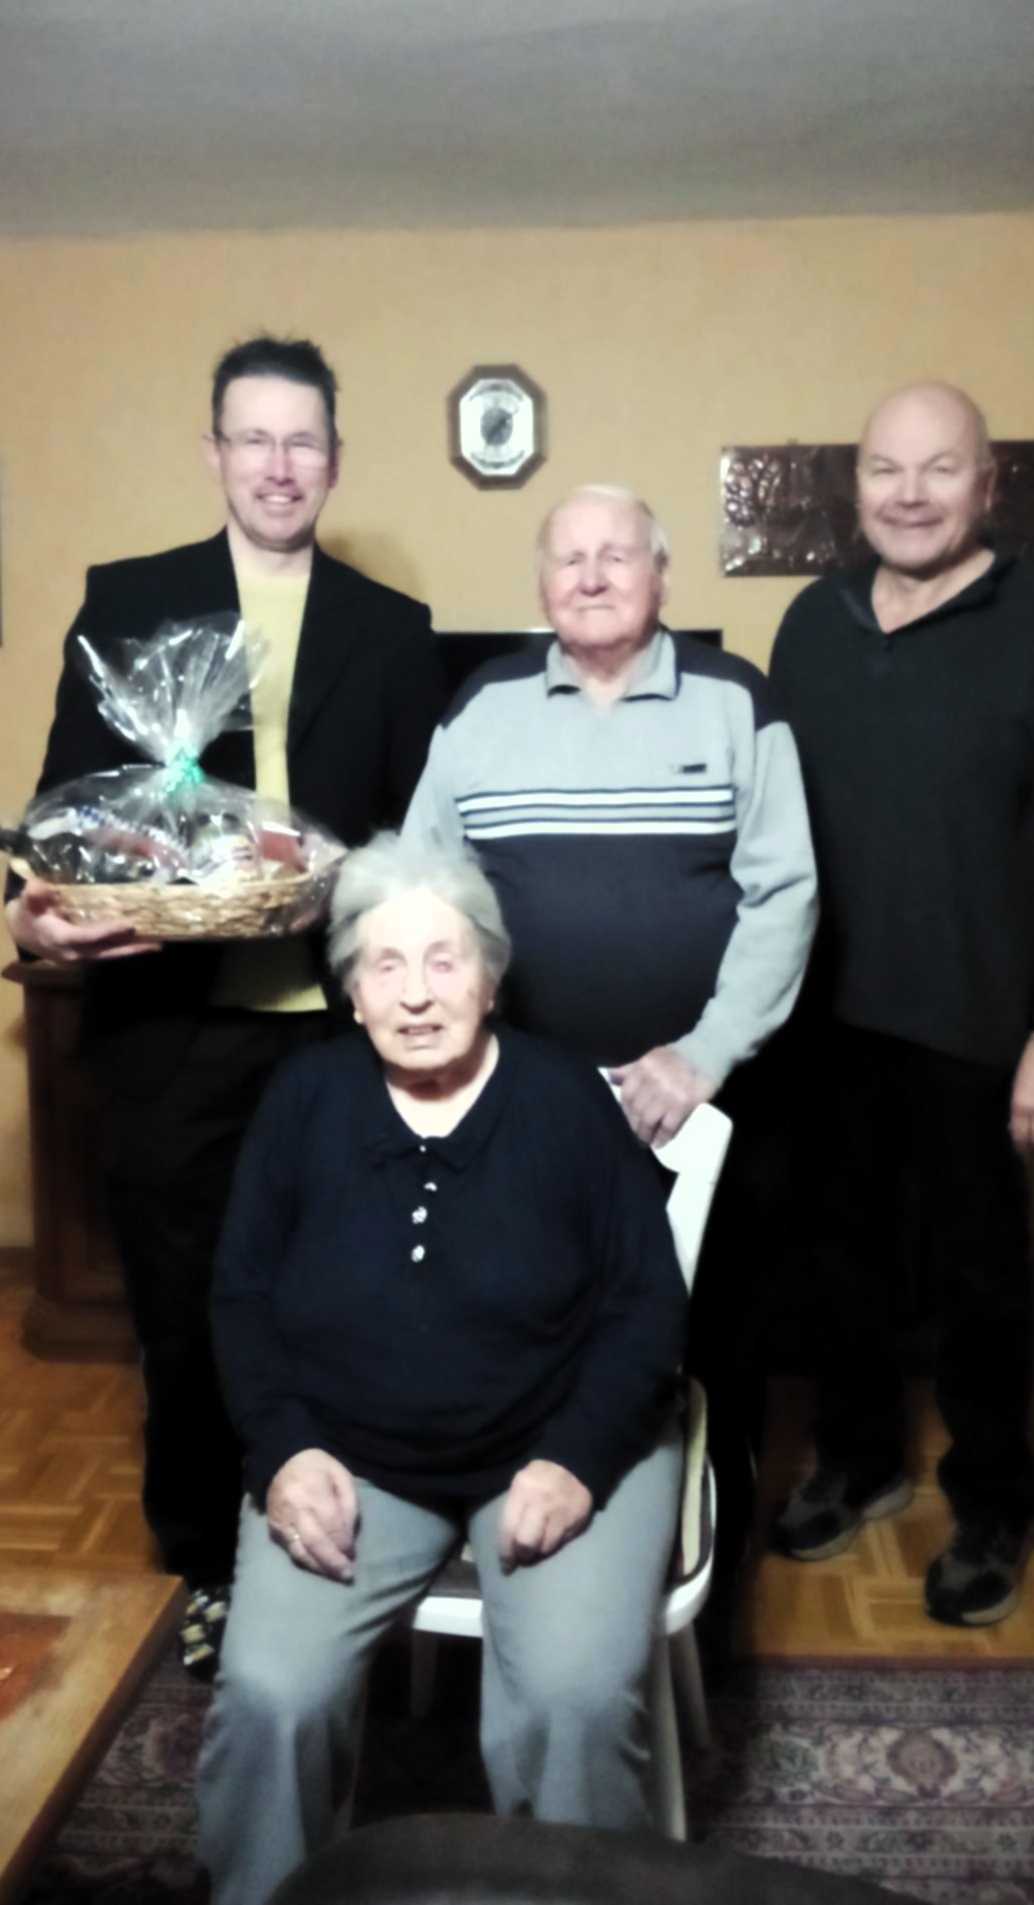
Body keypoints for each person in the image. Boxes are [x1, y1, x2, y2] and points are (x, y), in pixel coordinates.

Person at [7, 335, 447, 1673]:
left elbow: (414, 836)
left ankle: (339, 1548)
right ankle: (207, 1558)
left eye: (302, 440)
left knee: (344, 1299)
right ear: (212, 455)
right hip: (171, 1037)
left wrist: (344, 890)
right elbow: (62, 821)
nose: (277, 463)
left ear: (334, 461)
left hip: (335, 1034)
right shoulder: (128, 603)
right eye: (251, 438)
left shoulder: (392, 631)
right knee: (187, 1310)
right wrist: (32, 907)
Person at [197, 835, 689, 1904]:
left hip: (553, 1442)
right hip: (351, 1453)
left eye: (445, 959)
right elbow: (238, 1294)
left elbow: (649, 1307)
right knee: (273, 1692)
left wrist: (576, 1457)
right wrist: (283, 1452)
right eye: (385, 965)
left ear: (492, 974)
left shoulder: (566, 1102)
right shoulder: (303, 1099)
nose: (417, 995)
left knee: (573, 1698)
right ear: (352, 992)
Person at [402, 484, 818, 1618]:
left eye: (617, 555)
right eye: (569, 558)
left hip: (707, 1099)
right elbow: (427, 889)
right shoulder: (479, 708)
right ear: (541, 584)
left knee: (713, 1338)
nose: (591, 576)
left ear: (661, 576)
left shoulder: (739, 703)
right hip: (521, 1112)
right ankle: (543, 1557)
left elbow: (786, 892)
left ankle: (711, 1577)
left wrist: (703, 1055)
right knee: (532, 1327)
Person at [767, 380, 1034, 1626]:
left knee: (985, 1279)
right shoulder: (810, 624)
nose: (909, 493)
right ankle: (861, 1458)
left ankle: (992, 1502)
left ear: (988, 486)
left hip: (984, 1026)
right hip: (825, 1020)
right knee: (840, 1264)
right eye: (885, 468)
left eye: (939, 470)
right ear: (855, 482)